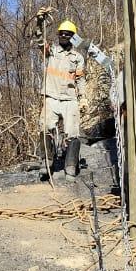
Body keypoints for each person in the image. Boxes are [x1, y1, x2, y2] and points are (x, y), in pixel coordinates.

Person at [41, 19, 85, 177]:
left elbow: (80, 79)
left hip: (70, 98)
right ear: (58, 35)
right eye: (62, 33)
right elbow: (40, 40)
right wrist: (40, 23)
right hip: (51, 95)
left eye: (68, 34)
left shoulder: (78, 58)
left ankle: (71, 166)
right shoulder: (51, 51)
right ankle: (46, 162)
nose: (64, 35)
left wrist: (83, 97)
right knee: (46, 127)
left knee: (72, 132)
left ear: (73, 37)